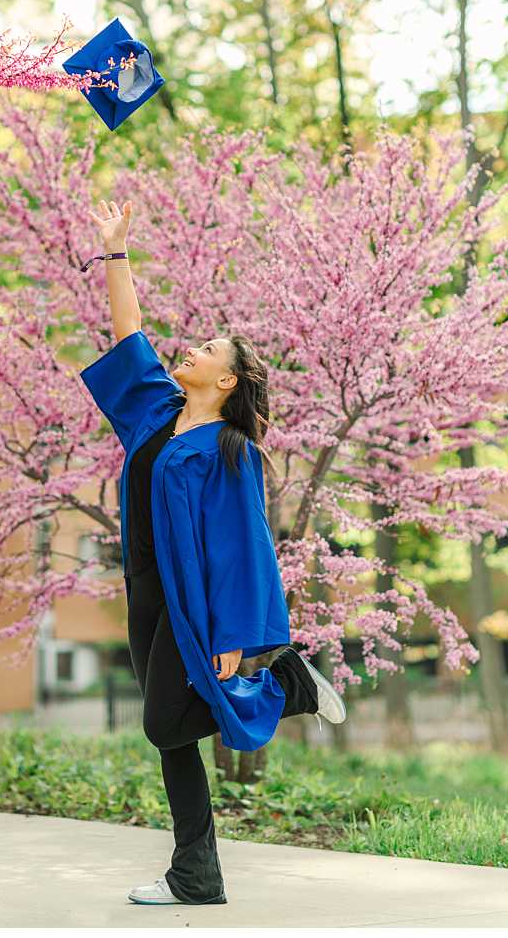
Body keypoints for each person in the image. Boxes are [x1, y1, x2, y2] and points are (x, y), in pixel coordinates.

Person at [78, 197, 348, 906]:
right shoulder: (157, 411)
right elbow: (127, 332)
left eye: (207, 352)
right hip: (142, 587)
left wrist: (234, 638)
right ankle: (196, 876)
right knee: (173, 738)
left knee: (164, 720)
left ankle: (286, 685)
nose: (190, 350)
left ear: (226, 380)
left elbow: (241, 549)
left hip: (188, 601)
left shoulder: (230, 451)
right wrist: (116, 250)